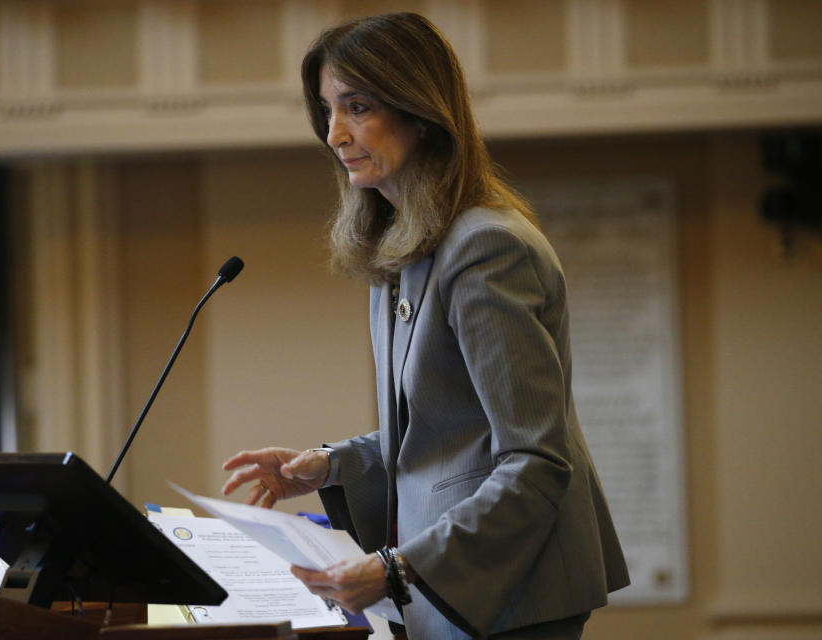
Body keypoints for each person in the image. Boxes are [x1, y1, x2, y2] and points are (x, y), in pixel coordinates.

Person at [222, 12, 629, 640]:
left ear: (419, 111)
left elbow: (535, 461)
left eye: (356, 106)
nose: (334, 134)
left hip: (511, 593)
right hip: (452, 591)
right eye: (327, 111)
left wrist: (396, 569)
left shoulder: (485, 246)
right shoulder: (407, 249)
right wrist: (328, 465)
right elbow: (445, 430)